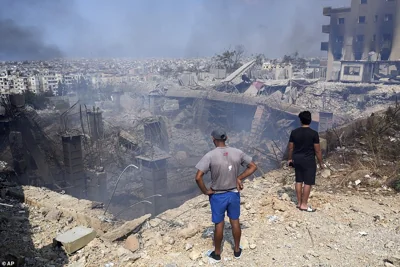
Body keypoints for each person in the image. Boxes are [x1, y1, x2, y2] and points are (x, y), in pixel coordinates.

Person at [195, 129, 257, 262]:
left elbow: (198, 177)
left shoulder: (210, 155)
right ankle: (236, 250)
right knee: (235, 221)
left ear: (213, 139)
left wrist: (206, 191)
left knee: (219, 224)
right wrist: (239, 178)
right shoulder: (237, 152)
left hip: (218, 195)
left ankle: (217, 254)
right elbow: (253, 166)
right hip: (234, 194)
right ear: (226, 138)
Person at [287, 111, 323, 212]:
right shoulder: (314, 134)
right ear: (310, 120)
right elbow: (317, 150)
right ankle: (304, 204)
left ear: (300, 121)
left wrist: (290, 159)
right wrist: (321, 162)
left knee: (298, 180)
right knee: (308, 182)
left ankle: (299, 203)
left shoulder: (294, 132)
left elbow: (290, 148)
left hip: (297, 159)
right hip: (309, 160)